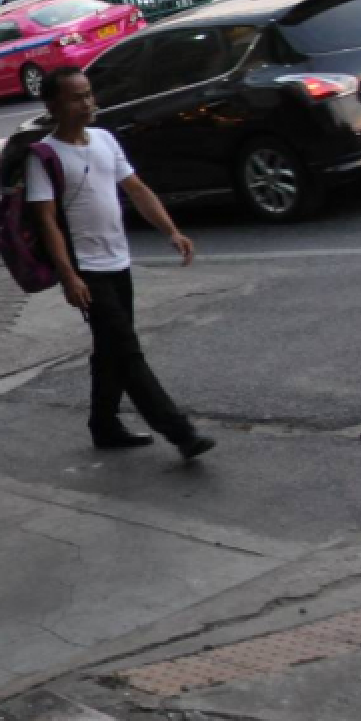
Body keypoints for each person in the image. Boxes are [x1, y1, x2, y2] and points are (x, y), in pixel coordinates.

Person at [26, 66, 215, 460]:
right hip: (87, 271)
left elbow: (136, 188)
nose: (87, 104)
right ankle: (180, 433)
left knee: (110, 351)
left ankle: (104, 425)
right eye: (76, 98)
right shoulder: (43, 157)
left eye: (89, 95)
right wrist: (68, 276)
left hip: (118, 262)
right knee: (127, 353)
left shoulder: (104, 140)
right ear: (53, 105)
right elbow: (46, 222)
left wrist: (170, 231)